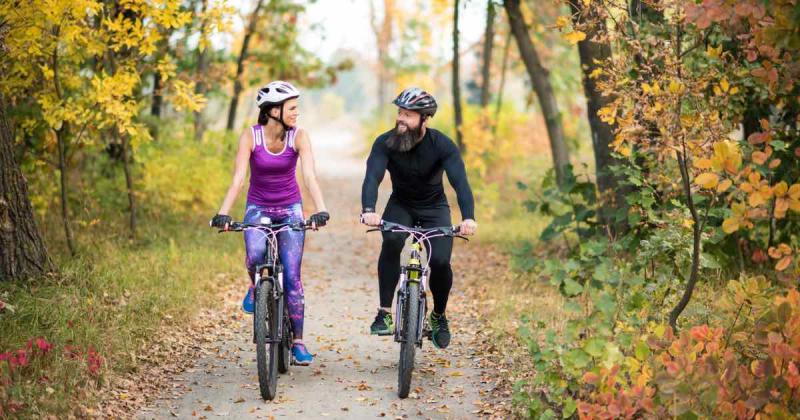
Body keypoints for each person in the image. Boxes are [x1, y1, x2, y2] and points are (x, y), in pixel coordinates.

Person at [210, 81, 329, 365]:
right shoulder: (250, 136)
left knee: (292, 276)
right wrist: (223, 213)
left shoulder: (299, 136)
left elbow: (309, 176)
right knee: (255, 255)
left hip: (290, 209)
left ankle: (298, 342)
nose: (296, 113)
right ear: (274, 111)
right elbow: (239, 178)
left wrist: (321, 209)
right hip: (258, 207)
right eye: (291, 108)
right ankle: (256, 287)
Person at [360, 87, 477, 349]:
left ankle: (438, 316)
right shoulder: (385, 142)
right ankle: (384, 312)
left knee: (440, 261)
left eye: (408, 115)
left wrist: (468, 217)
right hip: (401, 204)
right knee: (391, 242)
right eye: (400, 113)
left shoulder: (442, 145)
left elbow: (460, 183)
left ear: (424, 119)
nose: (401, 119)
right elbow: (372, 177)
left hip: (434, 207)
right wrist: (368, 209)